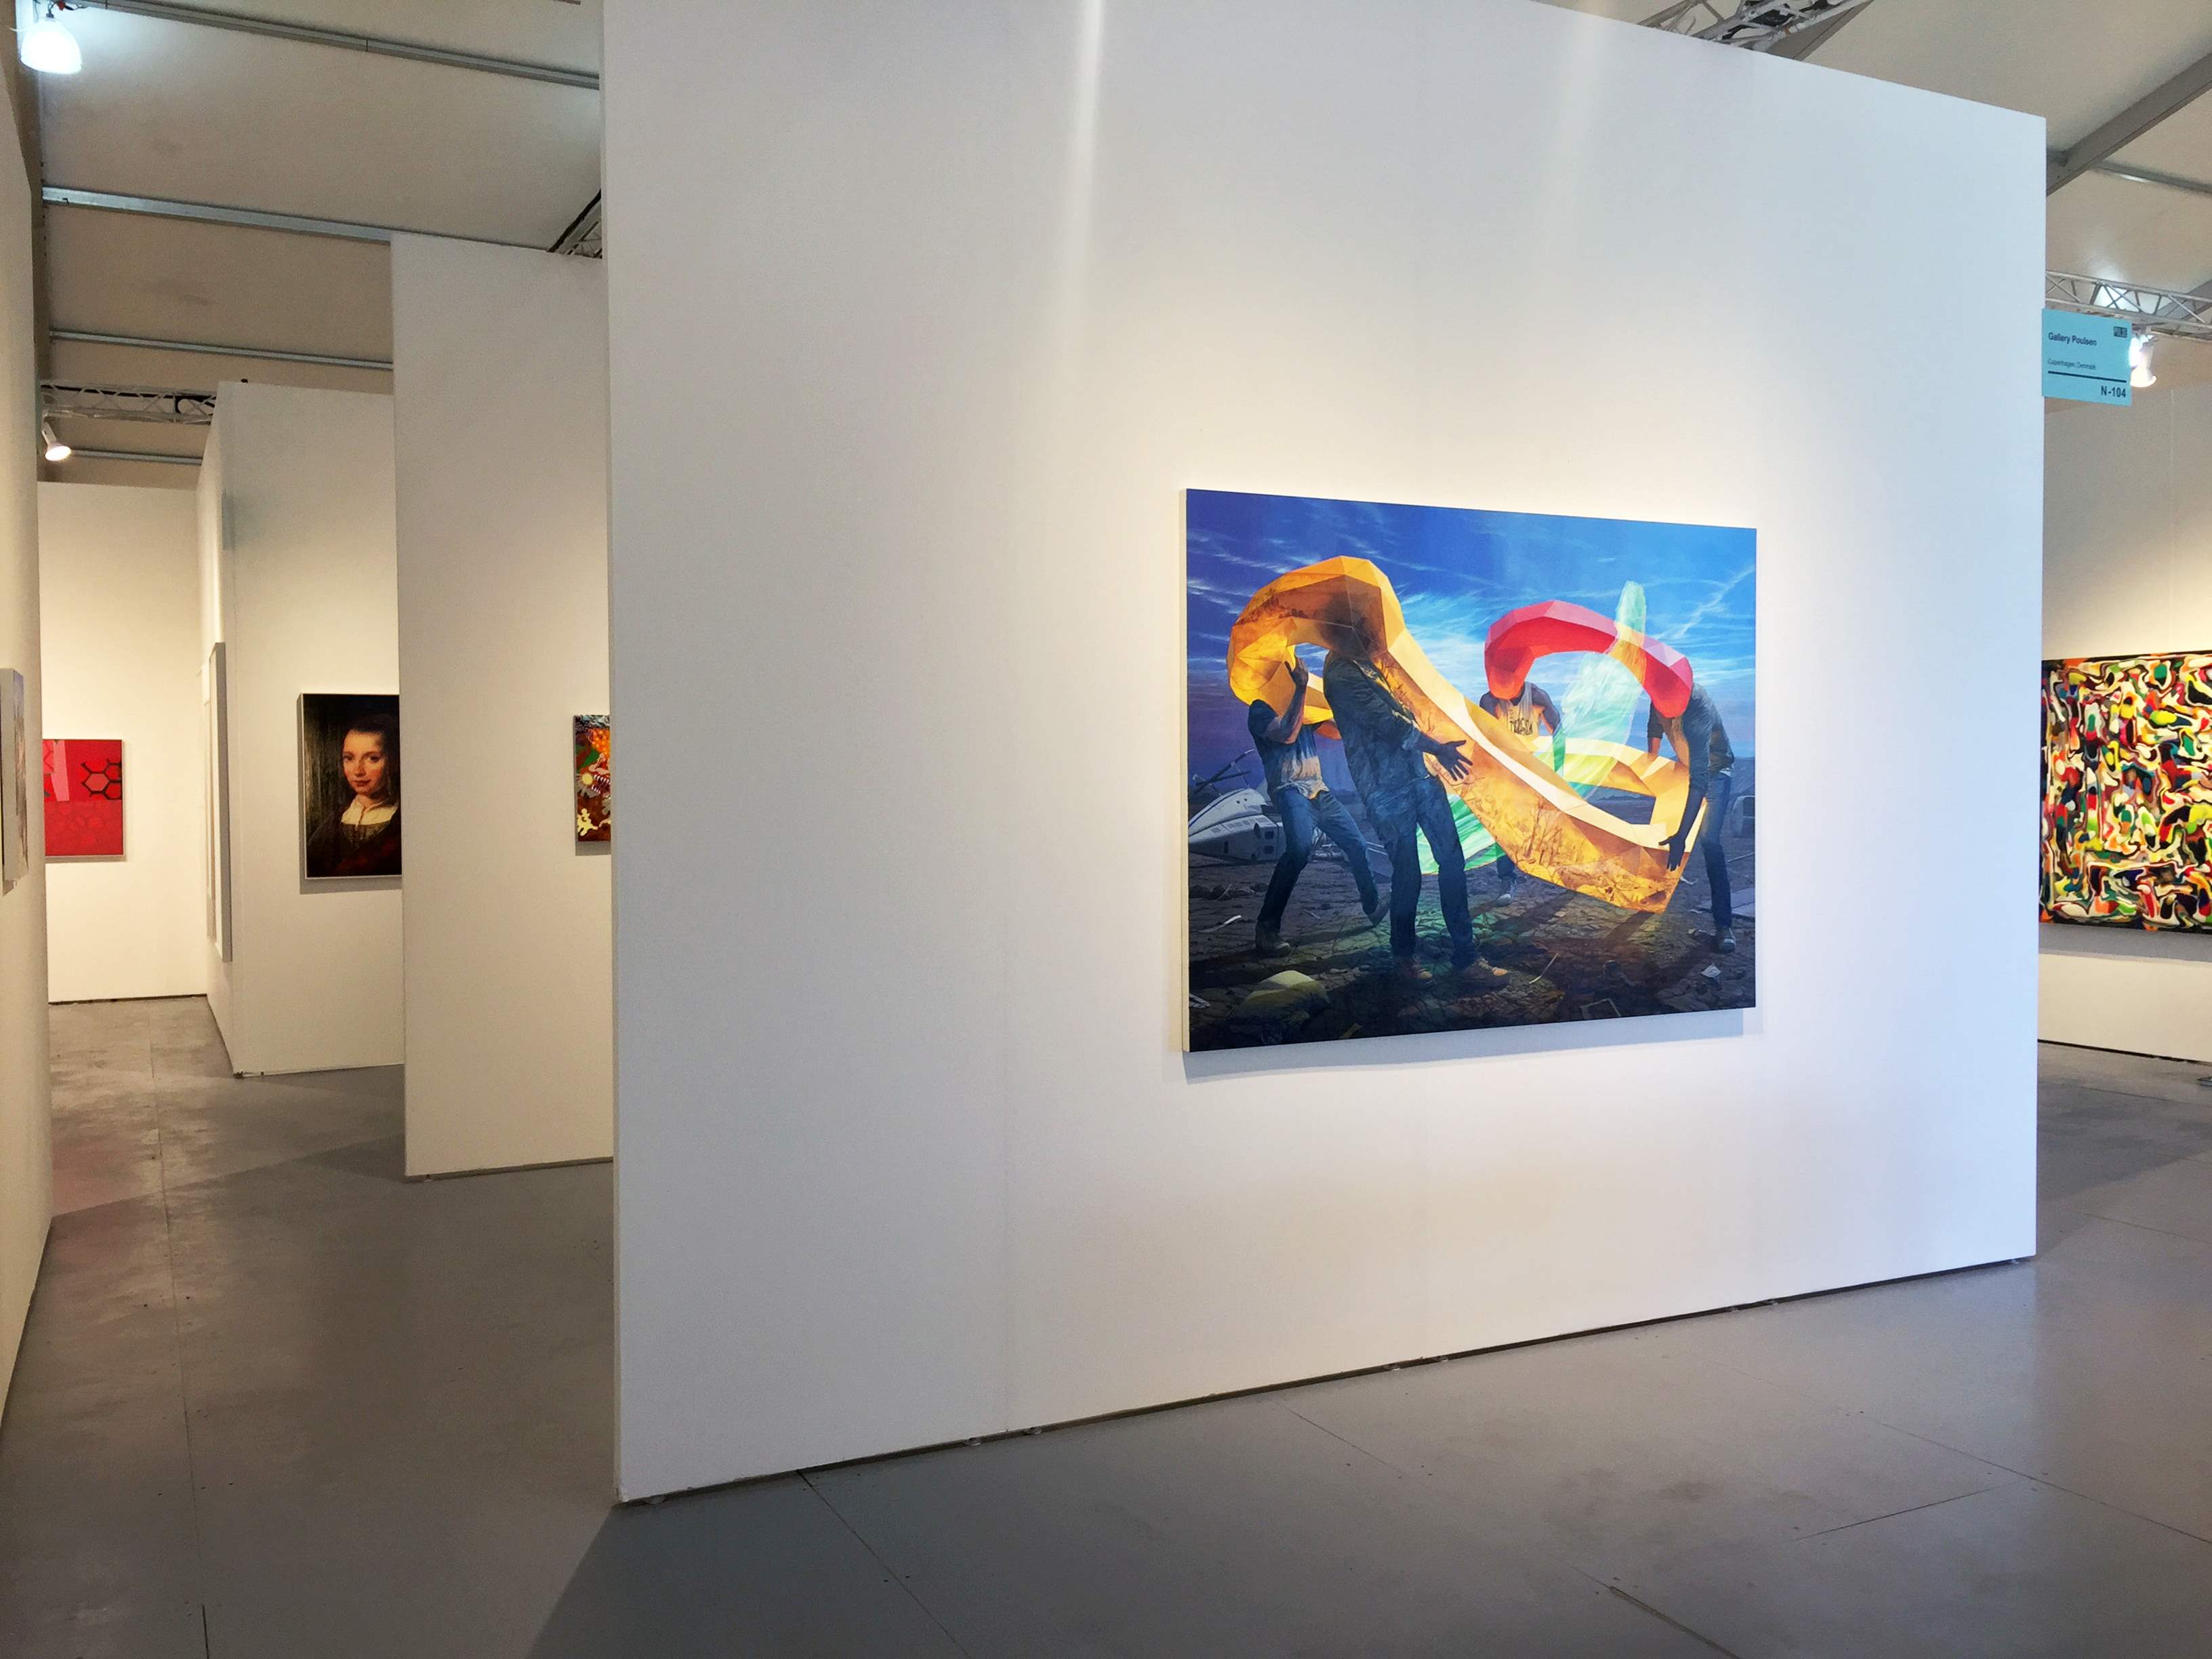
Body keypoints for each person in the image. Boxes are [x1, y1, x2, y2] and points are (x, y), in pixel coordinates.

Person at [1322, 647, 1500, 981]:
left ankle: (1466, 956)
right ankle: (1404, 956)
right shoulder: (1341, 671)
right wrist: (1438, 749)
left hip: (1421, 778)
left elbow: (1408, 710)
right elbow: (1389, 724)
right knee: (1408, 874)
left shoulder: (1372, 663)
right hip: (1386, 790)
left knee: (1452, 860)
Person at [1248, 659, 1385, 954]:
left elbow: (1335, 731)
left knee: (1357, 844)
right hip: (1290, 791)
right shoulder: (1260, 709)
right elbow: (1287, 733)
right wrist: (1301, 690)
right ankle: (1267, 928)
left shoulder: (1301, 704)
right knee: (1299, 851)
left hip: (1319, 791)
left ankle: (1373, 907)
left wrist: (1346, 706)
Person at [1646, 683, 1735, 952]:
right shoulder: (1658, 692)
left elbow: (1701, 781)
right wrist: (1650, 773)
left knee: (1709, 841)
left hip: (1715, 772)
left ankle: (1724, 926)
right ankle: (1647, 897)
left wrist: (1682, 837)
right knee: (1662, 830)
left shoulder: (1697, 710)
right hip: (1685, 769)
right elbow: (1654, 731)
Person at [1475, 679, 1562, 895]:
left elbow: (1558, 731)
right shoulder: (1489, 701)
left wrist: (1560, 773)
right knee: (1504, 825)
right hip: (1502, 770)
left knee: (1544, 821)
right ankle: (1507, 878)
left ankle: (1558, 868)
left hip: (1530, 767)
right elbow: (1487, 738)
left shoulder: (1537, 696)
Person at [306, 713, 402, 878]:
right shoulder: (330, 825)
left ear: (394, 762)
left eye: (372, 758)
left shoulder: (404, 823)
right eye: (349, 758)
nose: (358, 771)